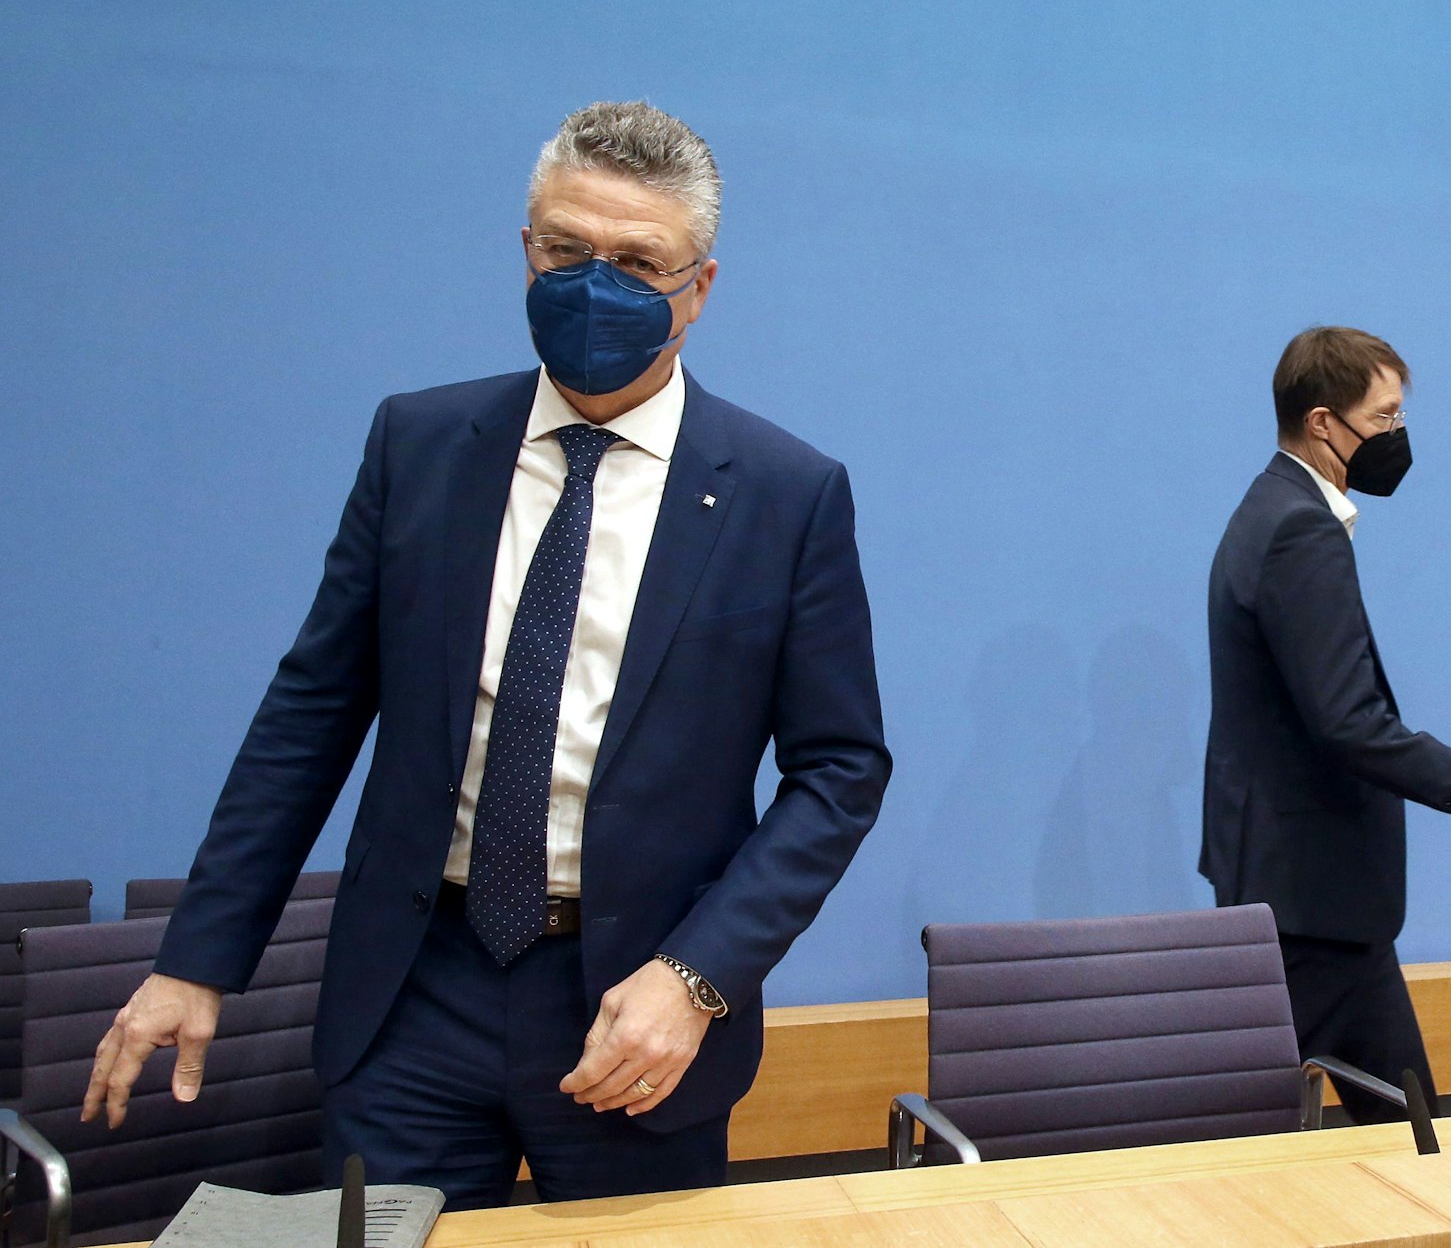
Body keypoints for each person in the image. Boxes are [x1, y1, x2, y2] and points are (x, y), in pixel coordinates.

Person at [82, 101, 891, 1207]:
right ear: (524, 253)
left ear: (697, 287)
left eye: (635, 260)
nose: (591, 284)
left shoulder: (786, 494)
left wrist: (698, 977)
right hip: (414, 990)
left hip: (634, 1011)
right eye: (565, 250)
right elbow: (310, 711)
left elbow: (839, 769)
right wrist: (197, 955)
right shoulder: (418, 445)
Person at [1200, 325, 1451, 1122]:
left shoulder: (1267, 506)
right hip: (1316, 901)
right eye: (1384, 419)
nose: (1397, 436)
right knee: (1408, 1138)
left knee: (1362, 1134)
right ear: (1323, 422)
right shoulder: (1299, 530)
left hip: (1291, 886)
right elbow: (1351, 724)